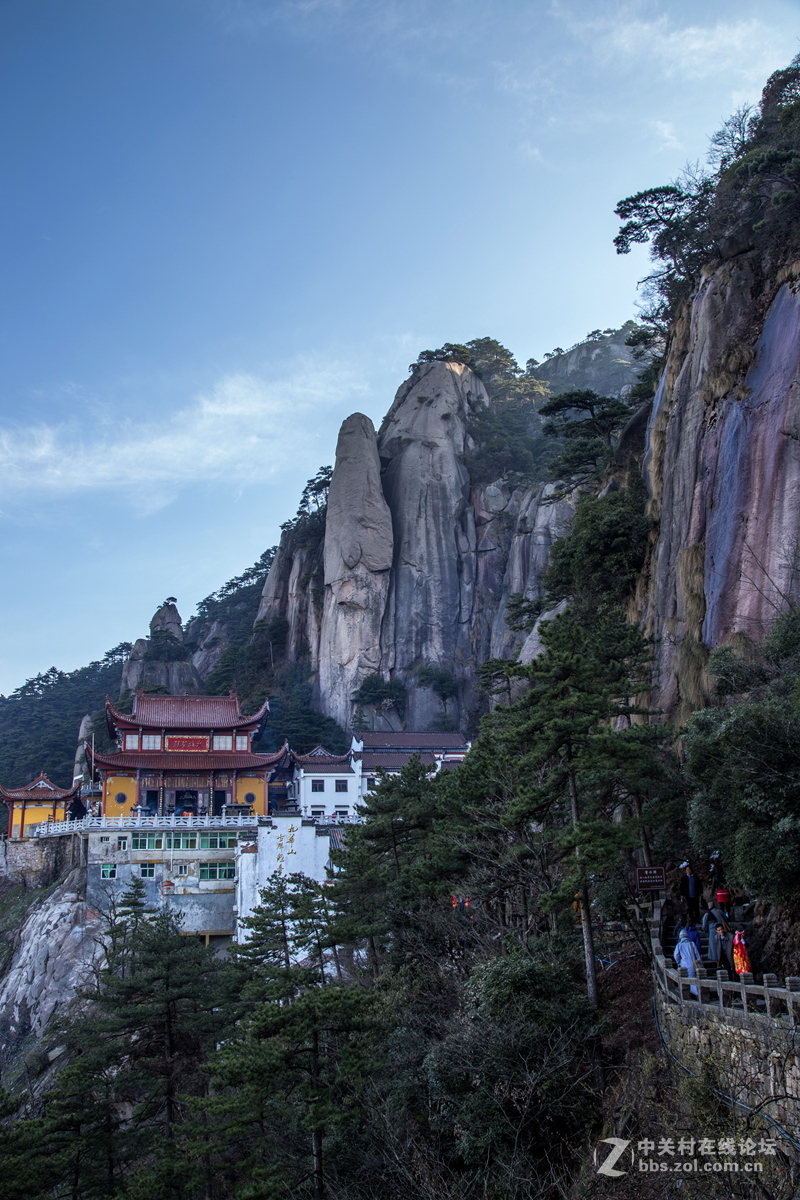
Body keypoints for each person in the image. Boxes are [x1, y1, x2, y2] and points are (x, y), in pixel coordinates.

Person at [674, 928, 701, 997]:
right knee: (693, 978)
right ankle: (697, 993)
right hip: (692, 963)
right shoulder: (692, 944)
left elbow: (676, 955)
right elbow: (697, 954)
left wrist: (679, 962)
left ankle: (696, 994)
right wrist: (699, 960)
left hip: (684, 965)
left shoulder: (679, 945)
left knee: (687, 979)